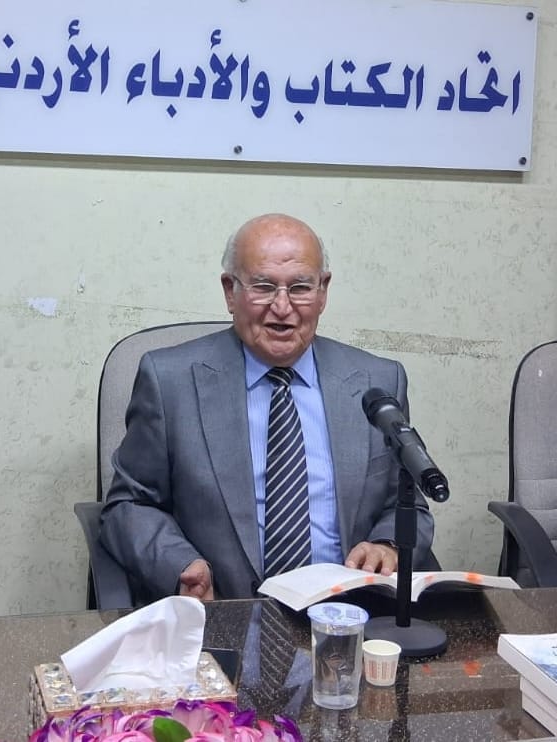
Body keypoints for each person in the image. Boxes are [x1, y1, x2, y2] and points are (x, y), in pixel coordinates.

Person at [100, 213, 434, 602]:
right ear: (230, 291)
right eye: (263, 286)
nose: (282, 306)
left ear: (323, 291)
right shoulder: (170, 381)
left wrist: (387, 544)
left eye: (300, 287)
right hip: (225, 611)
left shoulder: (377, 383)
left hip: (347, 614)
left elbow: (407, 506)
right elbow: (129, 505)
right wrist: (180, 565)